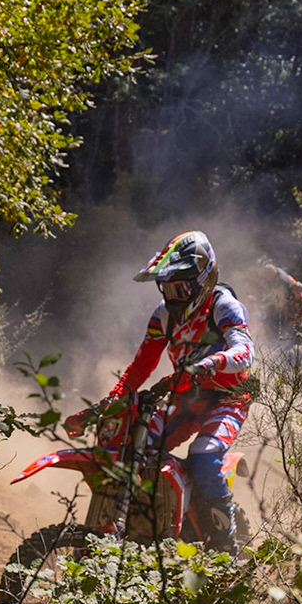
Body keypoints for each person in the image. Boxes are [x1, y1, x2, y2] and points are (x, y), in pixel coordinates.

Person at [66, 231, 252, 551]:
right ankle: (151, 525)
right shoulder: (163, 315)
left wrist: (212, 363)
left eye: (179, 287)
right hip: (185, 399)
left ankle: (227, 549)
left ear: (202, 279)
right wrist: (111, 401)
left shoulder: (223, 305)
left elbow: (245, 350)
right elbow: (141, 366)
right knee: (135, 443)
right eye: (166, 287)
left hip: (226, 399)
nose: (173, 295)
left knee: (204, 457)